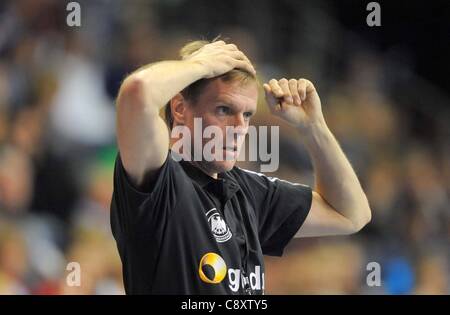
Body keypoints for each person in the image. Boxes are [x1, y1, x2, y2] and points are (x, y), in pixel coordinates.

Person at [110, 39, 371, 294]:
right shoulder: (160, 181)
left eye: (246, 115)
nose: (240, 129)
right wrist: (201, 66)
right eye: (224, 110)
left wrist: (313, 127)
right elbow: (137, 92)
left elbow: (351, 214)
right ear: (179, 108)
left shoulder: (246, 190)